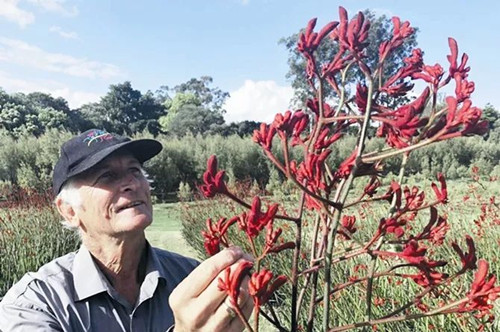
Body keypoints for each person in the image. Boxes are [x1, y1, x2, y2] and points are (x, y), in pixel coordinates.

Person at [0, 129, 253, 332]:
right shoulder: (36, 303)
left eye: (135, 170)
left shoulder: (193, 278)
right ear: (69, 211)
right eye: (107, 176)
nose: (131, 183)